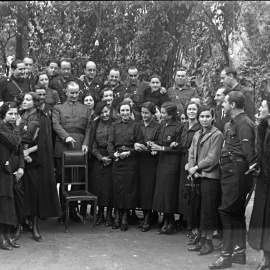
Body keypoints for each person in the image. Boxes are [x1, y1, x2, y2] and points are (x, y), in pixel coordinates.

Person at [209, 91, 258, 269]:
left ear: (234, 105)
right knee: (236, 212)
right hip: (230, 170)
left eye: (225, 102)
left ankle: (226, 256)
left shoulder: (244, 123)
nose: (222, 104)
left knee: (227, 211)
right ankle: (239, 253)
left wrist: (252, 169)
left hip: (238, 170)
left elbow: (248, 151)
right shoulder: (232, 123)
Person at [20, 92, 61, 242]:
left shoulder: (42, 118)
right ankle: (20, 225)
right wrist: (21, 153)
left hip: (35, 158)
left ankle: (35, 227)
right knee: (20, 191)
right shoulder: (19, 115)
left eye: (28, 100)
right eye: (24, 99)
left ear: (36, 102)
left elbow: (45, 142)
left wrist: (28, 152)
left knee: (35, 192)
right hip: (18, 156)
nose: (25, 102)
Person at [52, 81, 91, 222]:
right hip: (62, 147)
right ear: (66, 92)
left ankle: (73, 210)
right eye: (71, 92)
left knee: (78, 180)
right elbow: (55, 124)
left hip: (80, 148)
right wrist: (66, 136)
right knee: (63, 179)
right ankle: (62, 210)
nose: (74, 95)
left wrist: (86, 144)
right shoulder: (58, 108)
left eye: (76, 92)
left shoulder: (86, 109)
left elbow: (88, 128)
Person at [187, 105, 223, 255]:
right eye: (202, 116)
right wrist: (191, 168)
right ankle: (201, 239)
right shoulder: (197, 134)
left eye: (208, 116)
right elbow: (191, 153)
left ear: (213, 118)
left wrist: (197, 167)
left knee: (208, 211)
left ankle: (208, 242)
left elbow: (212, 158)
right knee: (199, 209)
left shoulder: (217, 135)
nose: (204, 119)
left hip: (210, 177)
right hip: (198, 176)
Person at [107, 101, 143, 231]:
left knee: (128, 189)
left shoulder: (136, 126)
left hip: (130, 160)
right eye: (122, 111)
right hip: (117, 160)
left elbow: (139, 144)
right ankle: (116, 216)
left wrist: (129, 153)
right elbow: (110, 143)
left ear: (131, 111)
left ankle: (125, 217)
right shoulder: (114, 125)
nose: (125, 113)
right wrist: (114, 155)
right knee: (117, 188)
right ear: (118, 112)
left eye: (127, 110)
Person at [151, 101, 183, 234]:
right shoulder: (163, 124)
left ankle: (170, 222)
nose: (161, 114)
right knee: (162, 192)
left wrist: (162, 148)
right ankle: (165, 219)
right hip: (162, 162)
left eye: (163, 113)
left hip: (172, 163)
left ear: (170, 115)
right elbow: (159, 141)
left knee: (169, 192)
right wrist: (154, 147)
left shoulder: (179, 127)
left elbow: (180, 148)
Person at [248, 97, 270, 270]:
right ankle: (266, 258)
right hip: (263, 182)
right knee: (263, 218)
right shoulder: (262, 128)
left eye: (263, 106)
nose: (260, 109)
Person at [0, 102, 24, 250]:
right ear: (3, 114)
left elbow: (20, 149)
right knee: (4, 204)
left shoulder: (12, 128)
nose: (14, 116)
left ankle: (8, 236)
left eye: (16, 114)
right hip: (3, 171)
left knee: (13, 204)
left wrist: (21, 167)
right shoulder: (1, 128)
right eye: (10, 114)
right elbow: (14, 141)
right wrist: (17, 127)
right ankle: (2, 238)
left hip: (15, 170)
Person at [134, 102, 161, 232]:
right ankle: (145, 216)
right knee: (139, 189)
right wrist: (135, 145)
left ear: (152, 113)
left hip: (150, 162)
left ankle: (147, 218)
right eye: (142, 113)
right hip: (137, 160)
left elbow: (158, 144)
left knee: (148, 190)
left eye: (147, 113)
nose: (144, 115)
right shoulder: (138, 124)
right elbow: (132, 138)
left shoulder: (157, 127)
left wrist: (147, 148)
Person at [89, 101, 114, 227]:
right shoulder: (95, 124)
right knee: (98, 187)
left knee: (109, 188)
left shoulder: (115, 123)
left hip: (111, 158)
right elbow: (92, 144)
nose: (105, 114)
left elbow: (115, 142)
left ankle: (109, 215)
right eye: (102, 112)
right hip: (98, 158)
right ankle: (100, 215)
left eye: (106, 111)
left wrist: (110, 157)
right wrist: (100, 157)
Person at [178, 101, 201, 232]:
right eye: (189, 109)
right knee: (185, 192)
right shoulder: (184, 126)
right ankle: (185, 221)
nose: (191, 111)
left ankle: (194, 226)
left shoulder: (199, 127)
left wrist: (192, 163)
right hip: (183, 161)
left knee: (194, 193)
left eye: (194, 109)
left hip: (193, 162)